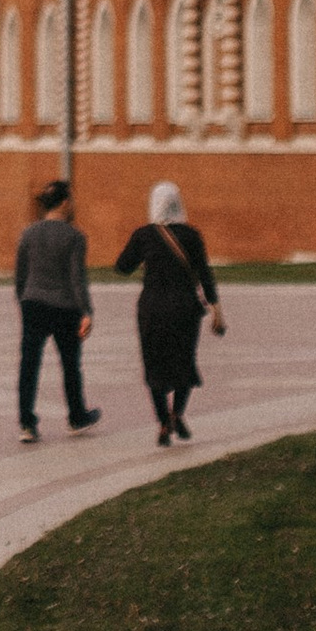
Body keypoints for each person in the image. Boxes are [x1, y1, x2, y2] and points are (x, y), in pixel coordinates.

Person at [114, 180, 223, 444]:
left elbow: (122, 267)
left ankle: (163, 423)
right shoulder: (192, 236)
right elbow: (205, 275)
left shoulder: (143, 235)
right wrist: (217, 310)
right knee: (184, 361)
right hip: (185, 308)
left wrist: (146, 262)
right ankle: (177, 414)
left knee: (155, 364)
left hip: (152, 308)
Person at [13, 178, 101, 443]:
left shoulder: (28, 233)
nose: (73, 204)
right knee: (70, 364)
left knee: (29, 365)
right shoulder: (75, 236)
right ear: (64, 203)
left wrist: (23, 299)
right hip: (65, 307)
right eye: (71, 199)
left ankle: (27, 424)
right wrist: (86, 311)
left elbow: (20, 273)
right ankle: (76, 417)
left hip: (33, 304)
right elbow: (77, 279)